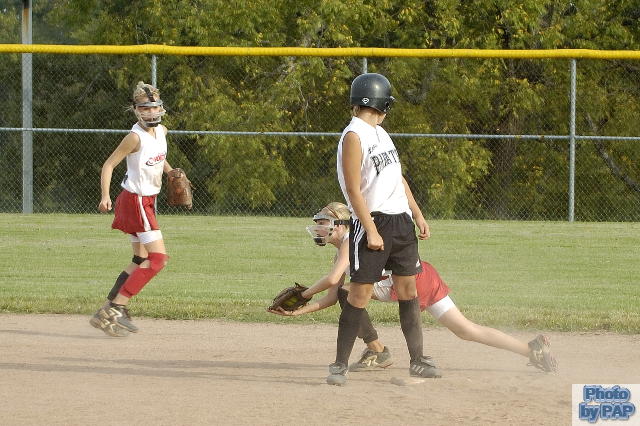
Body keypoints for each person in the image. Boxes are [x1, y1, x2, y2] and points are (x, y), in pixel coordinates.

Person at [269, 202, 558, 375]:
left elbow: (334, 281)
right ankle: (531, 350)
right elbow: (333, 297)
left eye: (325, 223)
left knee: (351, 293)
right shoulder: (345, 251)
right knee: (465, 330)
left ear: (343, 225)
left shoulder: (350, 242)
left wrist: (304, 295)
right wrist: (299, 311)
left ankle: (378, 351)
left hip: (411, 281)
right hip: (419, 277)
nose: (319, 229)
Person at [326, 72, 436, 386]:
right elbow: (353, 189)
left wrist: (416, 213)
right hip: (373, 220)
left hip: (401, 221)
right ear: (383, 104)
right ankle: (339, 365)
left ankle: (417, 361)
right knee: (359, 293)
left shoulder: (381, 133)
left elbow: (397, 178)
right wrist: (371, 229)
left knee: (408, 290)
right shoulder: (353, 135)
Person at [89, 81, 173, 337]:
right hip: (136, 200)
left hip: (141, 201)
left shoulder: (162, 131)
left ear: (161, 108)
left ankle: (106, 311)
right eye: (144, 108)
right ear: (136, 110)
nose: (151, 112)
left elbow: (159, 156)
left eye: (154, 107)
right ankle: (117, 307)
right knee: (157, 260)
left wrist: (171, 172)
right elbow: (109, 165)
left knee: (140, 259)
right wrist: (105, 196)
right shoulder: (134, 137)